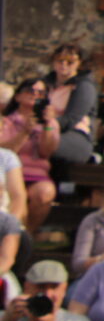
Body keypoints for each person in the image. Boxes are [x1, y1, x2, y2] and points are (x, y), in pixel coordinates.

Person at [0, 80, 58, 235]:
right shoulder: (6, 121)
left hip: (36, 175)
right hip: (9, 174)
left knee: (45, 192)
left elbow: (46, 152)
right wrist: (24, 133)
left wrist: (47, 125)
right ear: (18, 96)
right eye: (30, 91)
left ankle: (26, 236)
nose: (35, 95)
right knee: (16, 195)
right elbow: (4, 152)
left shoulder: (50, 123)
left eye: (41, 93)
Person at [0, 260, 90, 321]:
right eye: (41, 287)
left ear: (64, 290)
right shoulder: (7, 317)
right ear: (27, 287)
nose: (47, 294)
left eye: (54, 287)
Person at [41, 44, 97, 170]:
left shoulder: (84, 87)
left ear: (79, 63)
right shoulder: (44, 84)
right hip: (44, 129)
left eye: (70, 62)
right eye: (60, 60)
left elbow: (71, 119)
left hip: (76, 135)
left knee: (44, 144)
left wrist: (48, 126)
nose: (64, 64)